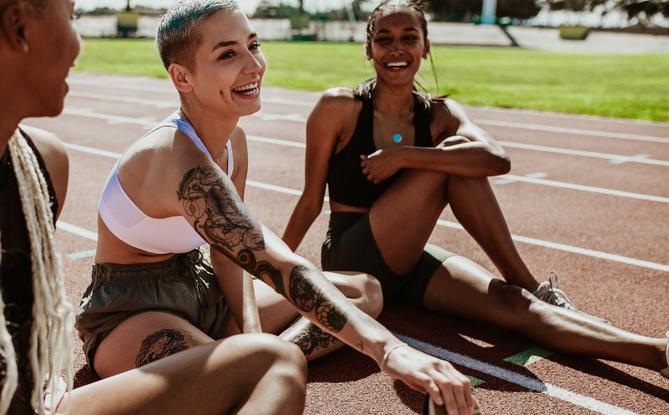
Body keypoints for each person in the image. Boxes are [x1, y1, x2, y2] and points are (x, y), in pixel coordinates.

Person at [0, 0, 312, 415]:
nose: (78, 45)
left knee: (270, 363)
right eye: (72, 17)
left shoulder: (42, 164)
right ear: (18, 27)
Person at [74, 0, 484, 415]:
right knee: (237, 389)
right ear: (182, 78)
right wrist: (387, 350)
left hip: (201, 287)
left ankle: (257, 359)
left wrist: (252, 335)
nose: (254, 65)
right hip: (133, 310)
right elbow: (275, 262)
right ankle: (254, 366)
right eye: (228, 54)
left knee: (366, 292)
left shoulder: (235, 142)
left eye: (254, 45)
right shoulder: (174, 159)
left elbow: (230, 252)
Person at [282, 0, 669, 380]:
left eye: (409, 37)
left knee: (514, 305)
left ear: (425, 47)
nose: (396, 49)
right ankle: (531, 282)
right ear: (369, 50)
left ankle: (657, 353)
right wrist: (270, 274)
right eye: (384, 39)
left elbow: (496, 158)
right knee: (453, 157)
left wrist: (402, 156)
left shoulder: (440, 114)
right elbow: (310, 201)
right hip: (352, 257)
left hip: (408, 261)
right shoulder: (339, 107)